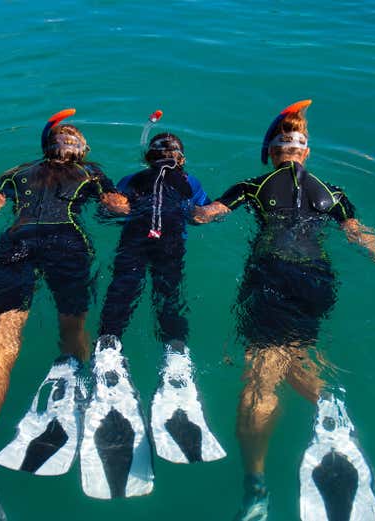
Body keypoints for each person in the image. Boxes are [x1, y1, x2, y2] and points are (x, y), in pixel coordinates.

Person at [194, 100, 375, 521]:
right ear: (306, 153)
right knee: (293, 354)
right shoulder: (333, 193)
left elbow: (207, 216)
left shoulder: (253, 186)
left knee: (259, 379)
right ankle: (328, 405)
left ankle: (256, 486)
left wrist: (182, 205)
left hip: (271, 274)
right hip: (318, 279)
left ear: (271, 153)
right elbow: (362, 237)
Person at [0, 109, 127, 518]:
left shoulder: (16, 172)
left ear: (47, 148)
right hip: (68, 243)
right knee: (73, 327)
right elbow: (115, 208)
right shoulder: (92, 172)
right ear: (79, 150)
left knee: (0, 335)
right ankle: (71, 373)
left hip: (15, 243)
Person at [79, 127, 225, 500]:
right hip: (145, 242)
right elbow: (109, 213)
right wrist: (115, 207)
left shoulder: (179, 180)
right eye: (162, 149)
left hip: (159, 243)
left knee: (158, 291)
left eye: (171, 149)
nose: (166, 153)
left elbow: (196, 215)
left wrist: (209, 213)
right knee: (135, 290)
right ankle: (120, 349)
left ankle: (165, 353)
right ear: (151, 156)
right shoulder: (147, 180)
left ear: (180, 157)